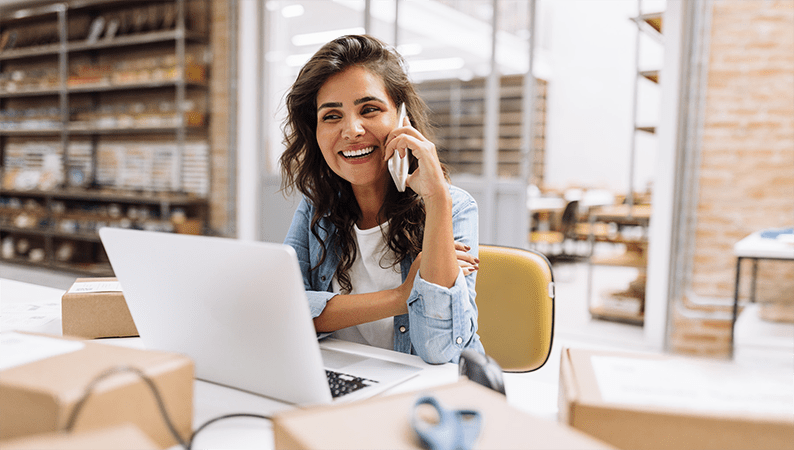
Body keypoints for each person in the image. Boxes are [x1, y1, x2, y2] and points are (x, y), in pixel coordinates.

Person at [280, 34, 484, 364]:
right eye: (332, 116)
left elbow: (441, 349)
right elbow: (287, 313)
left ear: (403, 120)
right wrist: (401, 296)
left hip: (423, 392)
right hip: (344, 379)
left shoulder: (453, 206)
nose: (352, 130)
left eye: (370, 109)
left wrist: (437, 199)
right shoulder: (317, 208)